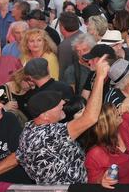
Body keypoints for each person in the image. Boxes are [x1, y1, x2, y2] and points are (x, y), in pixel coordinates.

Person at [16, 54, 109, 184]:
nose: (62, 104)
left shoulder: (29, 129)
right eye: (56, 104)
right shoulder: (50, 135)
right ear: (45, 115)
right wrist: (99, 78)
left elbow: (18, 157)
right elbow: (91, 118)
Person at [84, 100, 129, 188]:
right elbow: (92, 181)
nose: (118, 111)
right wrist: (101, 180)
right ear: (105, 124)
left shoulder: (123, 125)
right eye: (114, 112)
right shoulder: (95, 153)